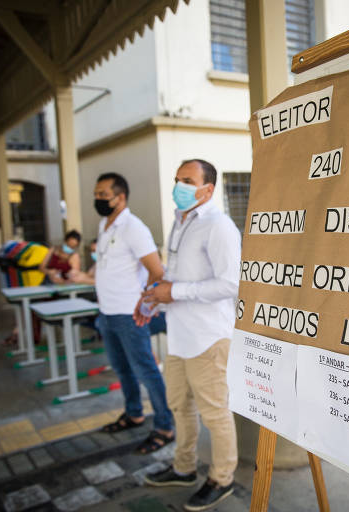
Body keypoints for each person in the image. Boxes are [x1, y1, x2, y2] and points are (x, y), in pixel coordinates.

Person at [139, 159, 241, 511]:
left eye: (187, 180)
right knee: (180, 407)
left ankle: (222, 478)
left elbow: (231, 283)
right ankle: (183, 468)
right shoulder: (181, 221)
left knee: (215, 413)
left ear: (207, 189)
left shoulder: (219, 226)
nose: (178, 186)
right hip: (179, 336)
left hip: (208, 338)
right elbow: (177, 274)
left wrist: (176, 292)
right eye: (177, 179)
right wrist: (154, 296)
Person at [93, 172, 175, 454]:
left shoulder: (134, 228)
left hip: (129, 314)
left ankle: (165, 426)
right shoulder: (105, 224)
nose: (98, 199)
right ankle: (134, 413)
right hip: (107, 313)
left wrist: (146, 303)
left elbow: (156, 270)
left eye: (103, 195)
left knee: (146, 371)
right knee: (122, 369)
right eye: (96, 194)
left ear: (120, 197)